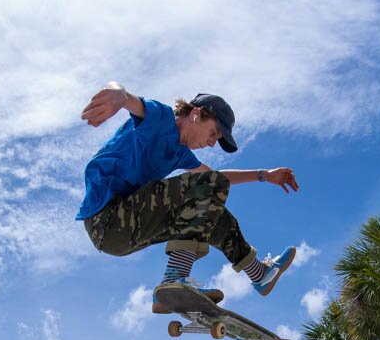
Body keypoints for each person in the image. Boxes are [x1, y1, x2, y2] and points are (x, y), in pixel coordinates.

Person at [77, 84, 299, 312]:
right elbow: (130, 100)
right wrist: (117, 93)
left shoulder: (179, 153)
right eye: (213, 133)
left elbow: (216, 177)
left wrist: (264, 175)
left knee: (214, 209)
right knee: (209, 187)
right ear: (196, 115)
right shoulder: (161, 119)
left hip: (126, 231)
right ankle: (174, 278)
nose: (212, 143)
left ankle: (259, 274)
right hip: (107, 219)